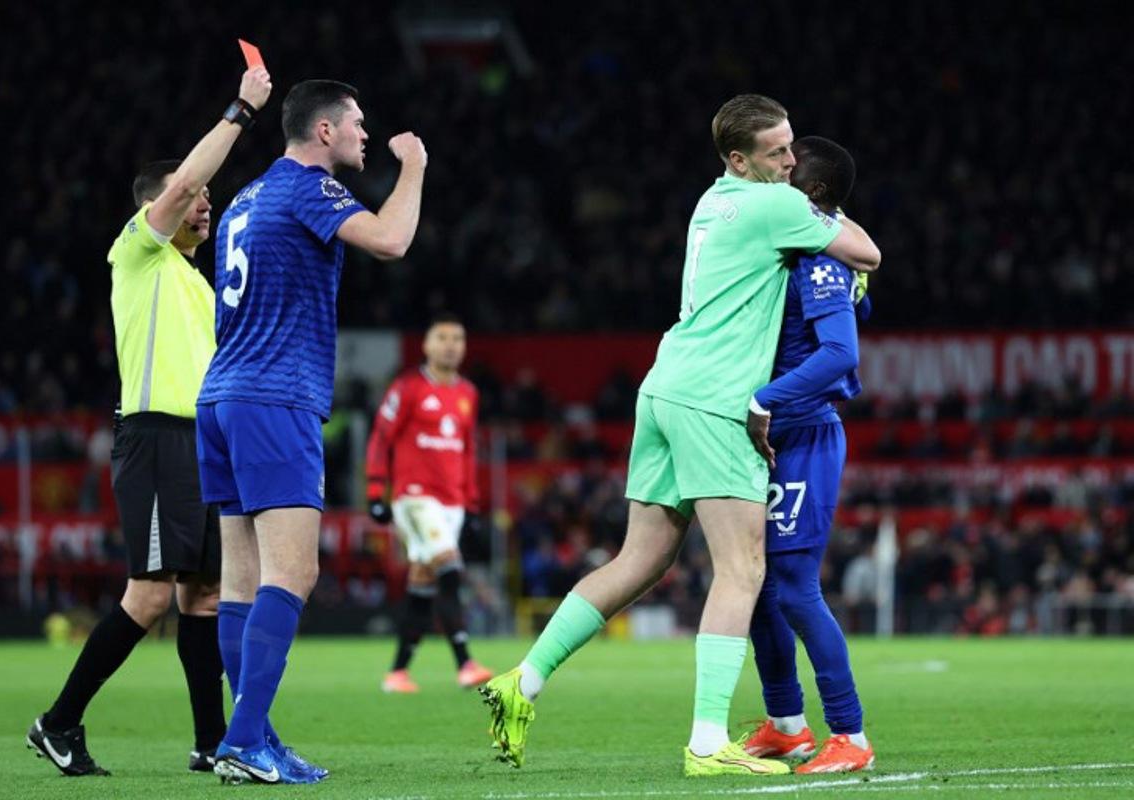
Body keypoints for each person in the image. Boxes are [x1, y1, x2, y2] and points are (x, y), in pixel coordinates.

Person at [480, 94, 881, 776]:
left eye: (792, 150)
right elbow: (866, 252)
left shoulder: (712, 199)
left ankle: (524, 678)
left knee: (638, 562)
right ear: (739, 158)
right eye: (777, 151)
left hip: (663, 386)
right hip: (717, 398)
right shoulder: (781, 204)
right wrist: (823, 203)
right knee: (743, 570)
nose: (788, 161)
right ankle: (705, 742)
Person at [25, 66, 273, 776]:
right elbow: (183, 183)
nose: (207, 207)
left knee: (202, 598)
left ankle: (209, 741)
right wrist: (241, 111)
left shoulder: (195, 283)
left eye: (209, 199)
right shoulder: (138, 252)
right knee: (151, 594)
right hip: (156, 437)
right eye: (197, 198)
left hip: (202, 443)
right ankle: (58, 723)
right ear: (163, 204)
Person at [195, 79, 427, 785]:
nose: (365, 134)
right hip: (275, 397)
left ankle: (253, 736)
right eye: (356, 124)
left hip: (221, 398)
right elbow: (389, 240)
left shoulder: (245, 196)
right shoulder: (305, 187)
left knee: (241, 581)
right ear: (323, 131)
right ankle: (242, 741)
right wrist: (413, 166)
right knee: (293, 573)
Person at [741, 136, 875, 773]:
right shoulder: (799, 254)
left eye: (790, 172)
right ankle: (786, 725)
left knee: (793, 589)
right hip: (770, 439)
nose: (779, 176)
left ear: (812, 196)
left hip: (803, 434)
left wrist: (765, 397)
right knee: (758, 590)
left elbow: (841, 355)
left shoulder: (820, 262)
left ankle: (849, 734)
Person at [366, 313, 493, 693]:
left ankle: (398, 672)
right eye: (442, 337)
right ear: (426, 345)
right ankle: (465, 663)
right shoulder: (407, 388)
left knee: (422, 581)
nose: (451, 345)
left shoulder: (468, 393)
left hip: (452, 503)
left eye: (458, 338)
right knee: (449, 568)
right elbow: (380, 439)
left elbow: (468, 451)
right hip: (416, 499)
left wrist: (471, 504)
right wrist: (376, 491)